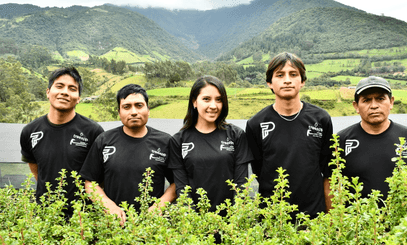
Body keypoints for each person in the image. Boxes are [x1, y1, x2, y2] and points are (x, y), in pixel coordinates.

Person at [245, 52, 333, 220]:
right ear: (269, 83)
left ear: (303, 81)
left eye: (293, 74)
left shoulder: (321, 119)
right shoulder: (255, 124)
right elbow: (260, 170)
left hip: (313, 217)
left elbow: (328, 172)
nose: (287, 80)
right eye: (280, 75)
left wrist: (330, 217)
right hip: (272, 218)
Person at [326, 76, 407, 209]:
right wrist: (333, 223)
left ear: (391, 102)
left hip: (404, 226)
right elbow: (329, 185)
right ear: (356, 106)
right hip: (356, 225)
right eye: (366, 100)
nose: (374, 106)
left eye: (380, 99)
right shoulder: (341, 141)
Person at [80, 84, 176, 225]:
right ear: (119, 112)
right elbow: (89, 182)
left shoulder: (165, 142)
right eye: (126, 107)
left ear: (148, 110)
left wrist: (158, 206)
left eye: (139, 105)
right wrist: (108, 206)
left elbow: (177, 182)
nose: (133, 112)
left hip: (152, 227)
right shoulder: (104, 141)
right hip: (114, 226)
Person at [20, 67, 104, 216]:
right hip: (45, 217)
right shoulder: (30, 131)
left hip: (83, 217)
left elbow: (100, 178)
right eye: (59, 86)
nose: (65, 92)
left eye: (72, 88)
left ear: (78, 98)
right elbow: (37, 171)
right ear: (48, 92)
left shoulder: (93, 132)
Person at [168, 76, 253, 214]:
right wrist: (195, 223)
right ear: (194, 102)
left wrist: (234, 221)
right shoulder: (178, 141)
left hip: (230, 223)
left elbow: (241, 185)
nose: (213, 106)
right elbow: (182, 189)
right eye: (206, 99)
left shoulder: (236, 135)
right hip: (195, 226)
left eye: (219, 100)